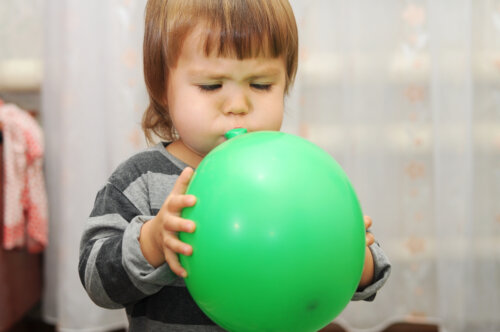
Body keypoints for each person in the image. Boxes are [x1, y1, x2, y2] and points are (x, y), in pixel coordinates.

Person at [78, 0, 391, 331]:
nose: (238, 105)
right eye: (211, 85)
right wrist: (153, 241)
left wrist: (353, 255)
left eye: (261, 84)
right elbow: (96, 281)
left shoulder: (292, 175)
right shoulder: (139, 179)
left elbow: (372, 273)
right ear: (162, 88)